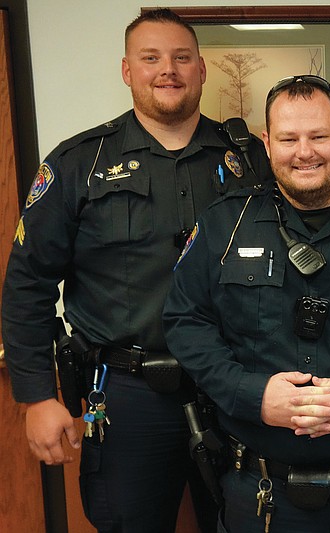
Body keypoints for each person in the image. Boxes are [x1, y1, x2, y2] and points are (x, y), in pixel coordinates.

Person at [1, 9, 271, 532]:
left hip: (232, 384)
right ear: (127, 70)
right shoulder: (78, 163)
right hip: (128, 397)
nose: (167, 70)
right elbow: (27, 282)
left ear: (201, 70)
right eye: (151, 58)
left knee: (248, 522)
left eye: (181, 58)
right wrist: (38, 395)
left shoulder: (249, 160)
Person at [162, 74, 330, 533]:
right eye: (288, 138)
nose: (304, 151)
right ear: (268, 143)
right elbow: (186, 322)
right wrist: (253, 394)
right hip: (259, 494)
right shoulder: (224, 227)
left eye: (319, 136)